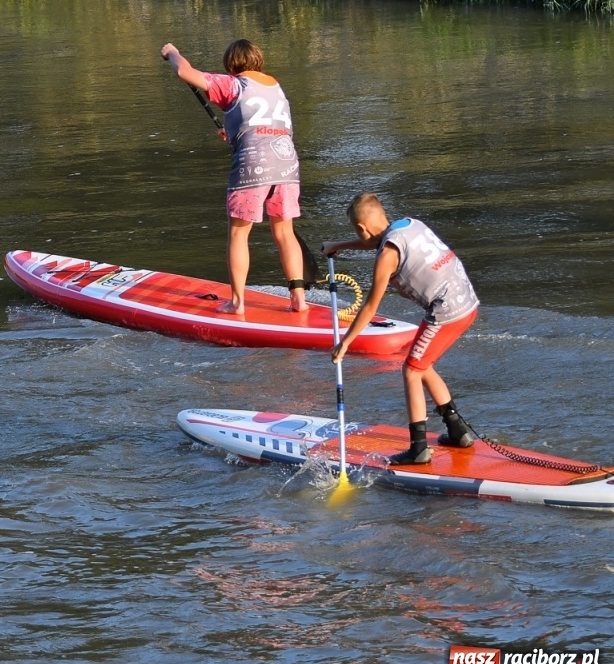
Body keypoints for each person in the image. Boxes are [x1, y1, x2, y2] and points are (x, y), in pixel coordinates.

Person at [325, 193, 479, 465]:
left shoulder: (386, 255)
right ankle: (457, 431)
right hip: (466, 300)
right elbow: (381, 241)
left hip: (446, 311)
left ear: (361, 227)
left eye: (355, 232)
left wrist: (346, 343)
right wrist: (340, 245)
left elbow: (371, 307)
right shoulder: (409, 225)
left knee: (411, 369)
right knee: (423, 363)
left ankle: (418, 449)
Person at [161, 39, 309, 314]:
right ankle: (299, 300)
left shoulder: (233, 84)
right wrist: (235, 134)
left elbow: (185, 72)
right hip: (287, 164)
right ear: (259, 61)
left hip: (253, 167)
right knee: (284, 233)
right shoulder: (276, 87)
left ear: (231, 65)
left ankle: (238, 303)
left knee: (239, 234)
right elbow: (266, 125)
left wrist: (173, 54)